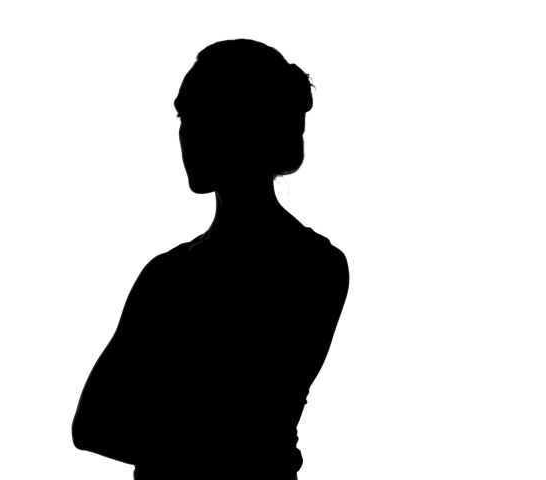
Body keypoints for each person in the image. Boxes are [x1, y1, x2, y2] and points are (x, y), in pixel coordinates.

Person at [72, 39, 350, 480]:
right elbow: (93, 426)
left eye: (204, 114)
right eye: (183, 117)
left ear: (247, 123)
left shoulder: (313, 266)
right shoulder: (165, 273)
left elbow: (249, 424)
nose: (187, 134)